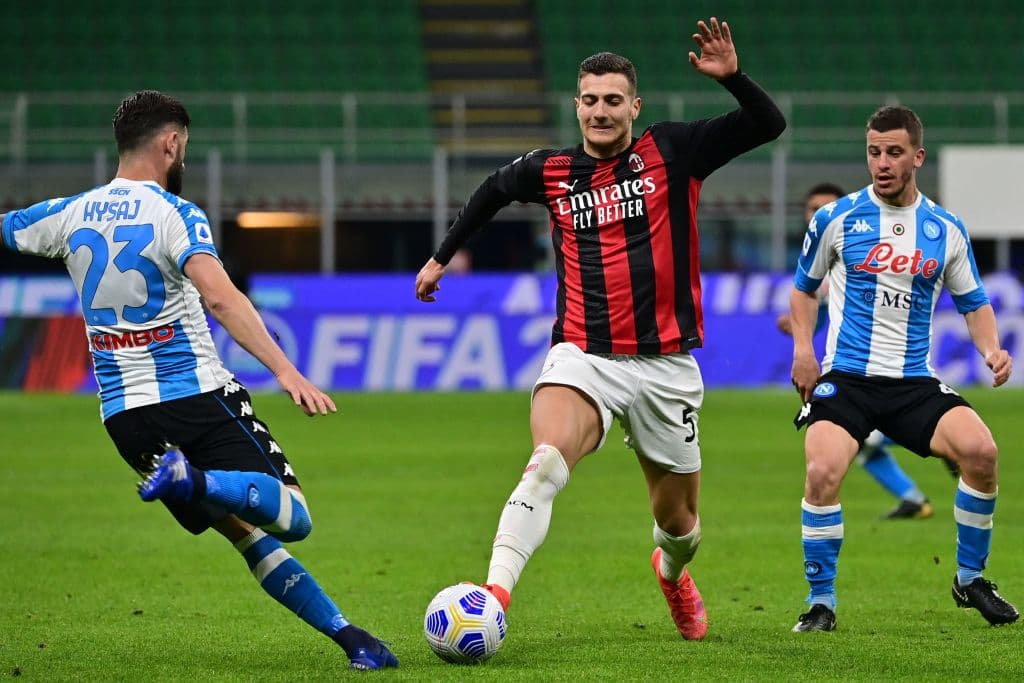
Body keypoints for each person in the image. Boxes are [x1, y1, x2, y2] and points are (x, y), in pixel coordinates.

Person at [415, 17, 785, 642]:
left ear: (634, 106)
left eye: (613, 100)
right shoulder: (553, 170)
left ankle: (670, 573)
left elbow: (767, 124)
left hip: (666, 364)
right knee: (544, 465)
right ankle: (493, 597)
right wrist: (441, 255)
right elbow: (490, 191)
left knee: (681, 525)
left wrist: (734, 80)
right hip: (585, 354)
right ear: (576, 104)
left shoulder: (673, 150)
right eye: (590, 100)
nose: (600, 112)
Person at [0, 91, 398, 670]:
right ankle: (196, 478)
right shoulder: (175, 214)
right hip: (194, 395)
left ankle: (352, 639)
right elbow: (219, 295)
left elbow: (6, 228)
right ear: (171, 143)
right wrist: (286, 371)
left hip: (125, 419)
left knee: (245, 535)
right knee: (294, 515)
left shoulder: (67, 212)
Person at [789, 105, 1018, 632]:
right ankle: (821, 602)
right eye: (874, 152)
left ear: (917, 156)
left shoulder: (945, 229)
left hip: (913, 381)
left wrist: (991, 347)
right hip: (845, 377)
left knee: (981, 453)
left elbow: (974, 301)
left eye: (894, 152)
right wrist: (804, 347)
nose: (882, 163)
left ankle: (969, 579)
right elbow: (803, 291)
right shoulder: (837, 219)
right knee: (822, 472)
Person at [778, 182, 941, 520]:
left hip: (885, 369)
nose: (816, 214)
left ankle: (945, 442)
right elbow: (820, 308)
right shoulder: (821, 254)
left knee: (863, 433)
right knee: (863, 446)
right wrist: (801, 330)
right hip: (844, 371)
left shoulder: (862, 250)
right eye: (811, 209)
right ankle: (913, 497)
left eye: (824, 207)